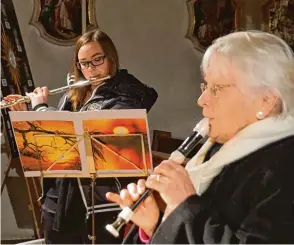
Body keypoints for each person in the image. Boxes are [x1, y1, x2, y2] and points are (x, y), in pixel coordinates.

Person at [106, 30, 294, 244]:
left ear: (266, 101)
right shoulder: (218, 151)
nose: (202, 100)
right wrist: (154, 226)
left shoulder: (285, 168)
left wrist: (185, 203)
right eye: (205, 86)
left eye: (217, 89)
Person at [4, 29, 158, 244]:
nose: (91, 70)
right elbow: (53, 145)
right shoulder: (73, 95)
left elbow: (87, 129)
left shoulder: (129, 94)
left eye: (97, 60)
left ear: (111, 58)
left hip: (97, 200)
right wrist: (26, 119)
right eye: (84, 63)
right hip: (59, 195)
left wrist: (40, 109)